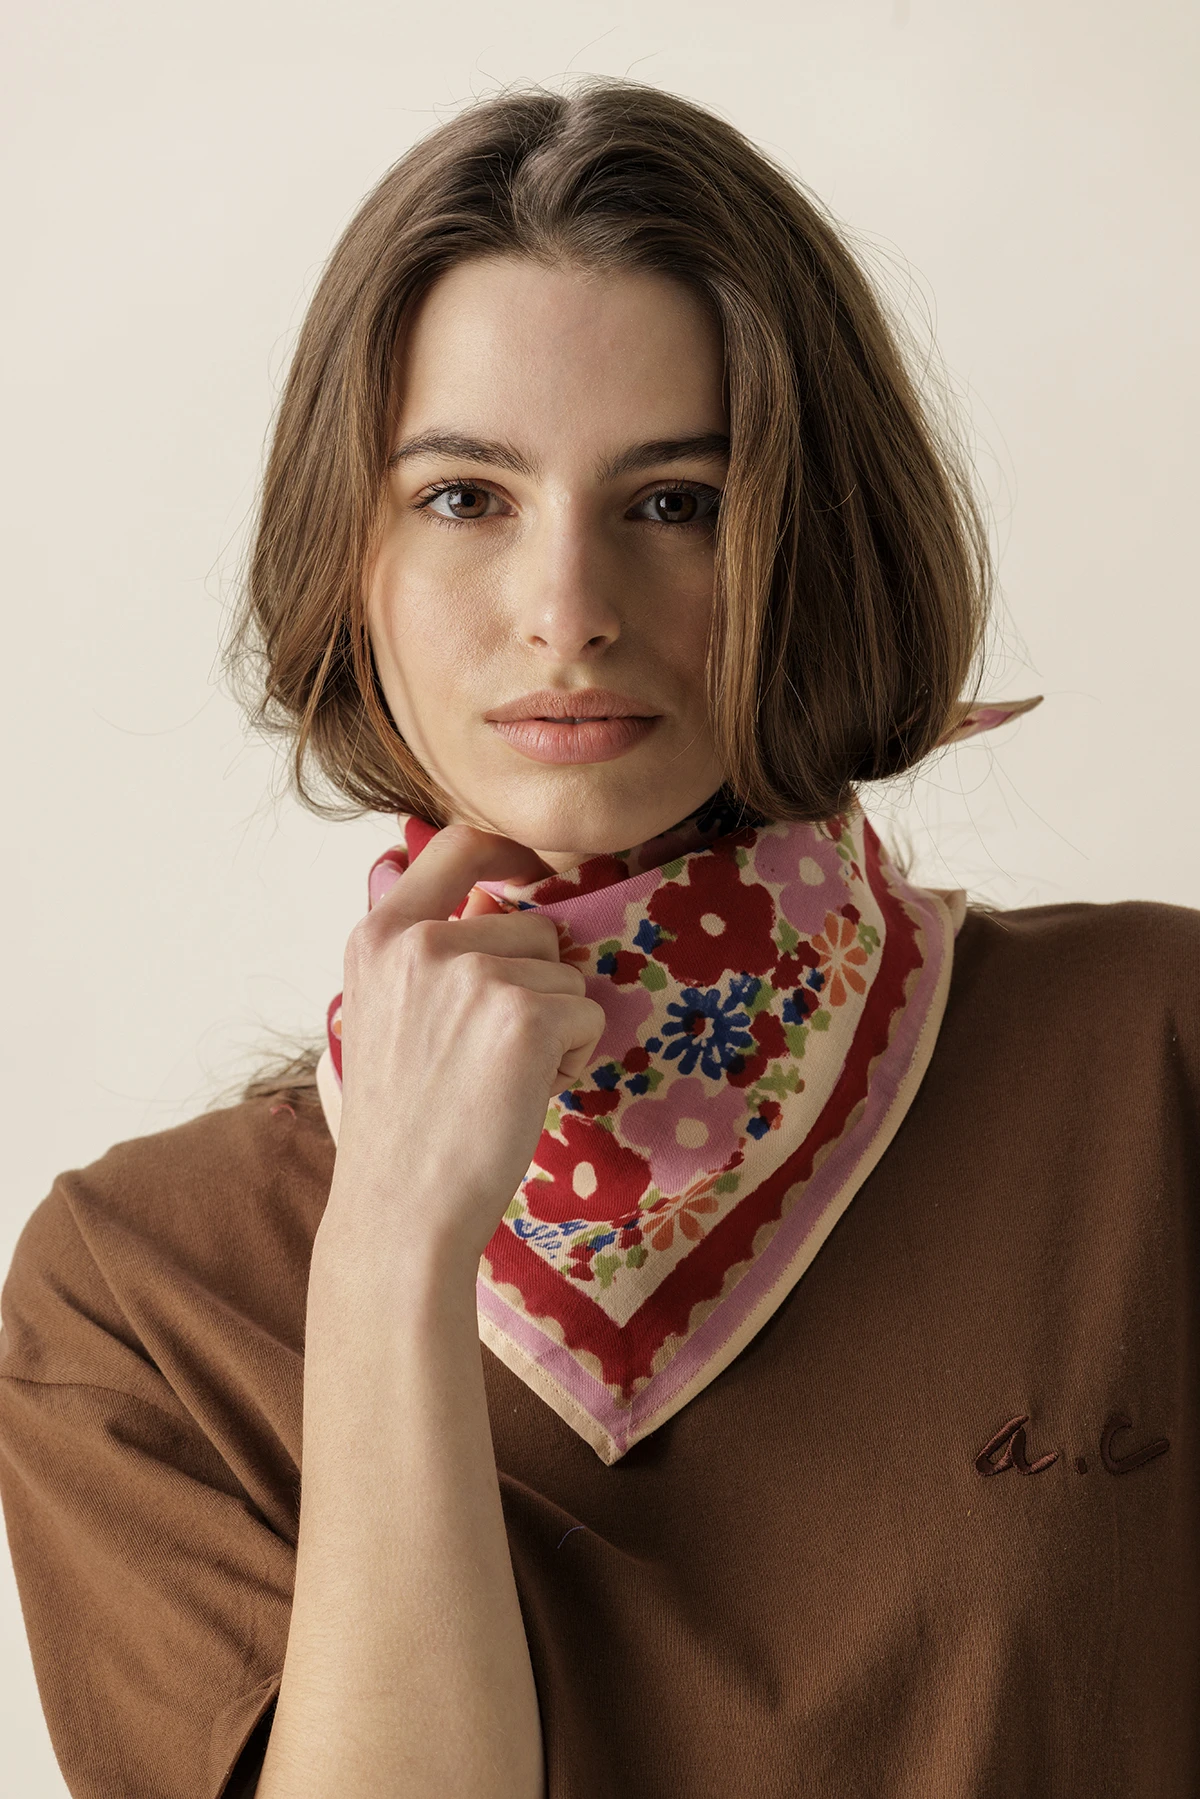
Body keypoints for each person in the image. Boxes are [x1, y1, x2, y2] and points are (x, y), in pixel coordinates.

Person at [0, 77, 1196, 1799]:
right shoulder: (135, 1299)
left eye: (676, 501)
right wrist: (392, 1245)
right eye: (464, 497)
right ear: (347, 555)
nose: (566, 611)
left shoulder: (1158, 1056)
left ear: (816, 541)